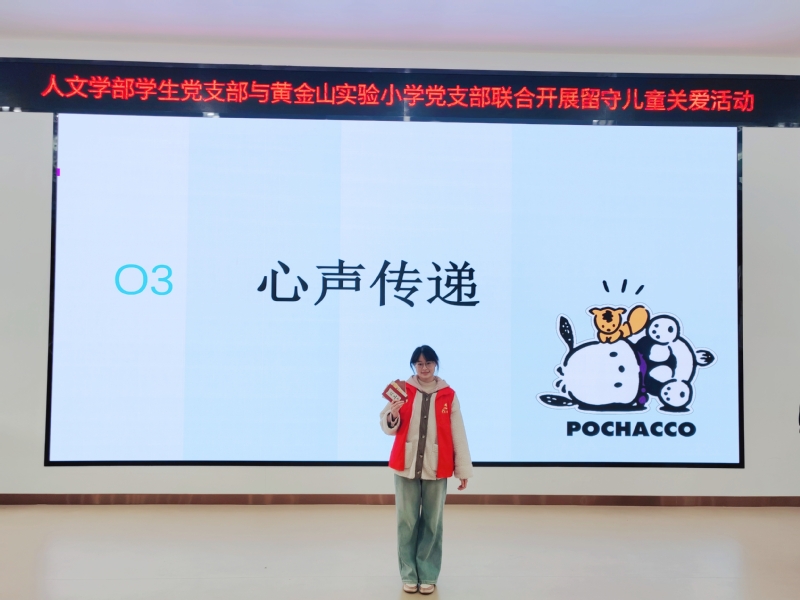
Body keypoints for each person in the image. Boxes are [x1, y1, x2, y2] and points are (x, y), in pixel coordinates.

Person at [380, 345, 473, 595]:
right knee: (407, 522)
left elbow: (458, 433)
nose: (424, 368)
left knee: (432, 522)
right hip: (406, 464)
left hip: (437, 465)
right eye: (419, 364)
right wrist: (392, 415)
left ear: (436, 364)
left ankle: (428, 574)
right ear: (413, 366)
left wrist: (463, 470)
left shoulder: (448, 395)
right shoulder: (402, 390)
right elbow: (387, 426)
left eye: (429, 363)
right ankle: (409, 574)